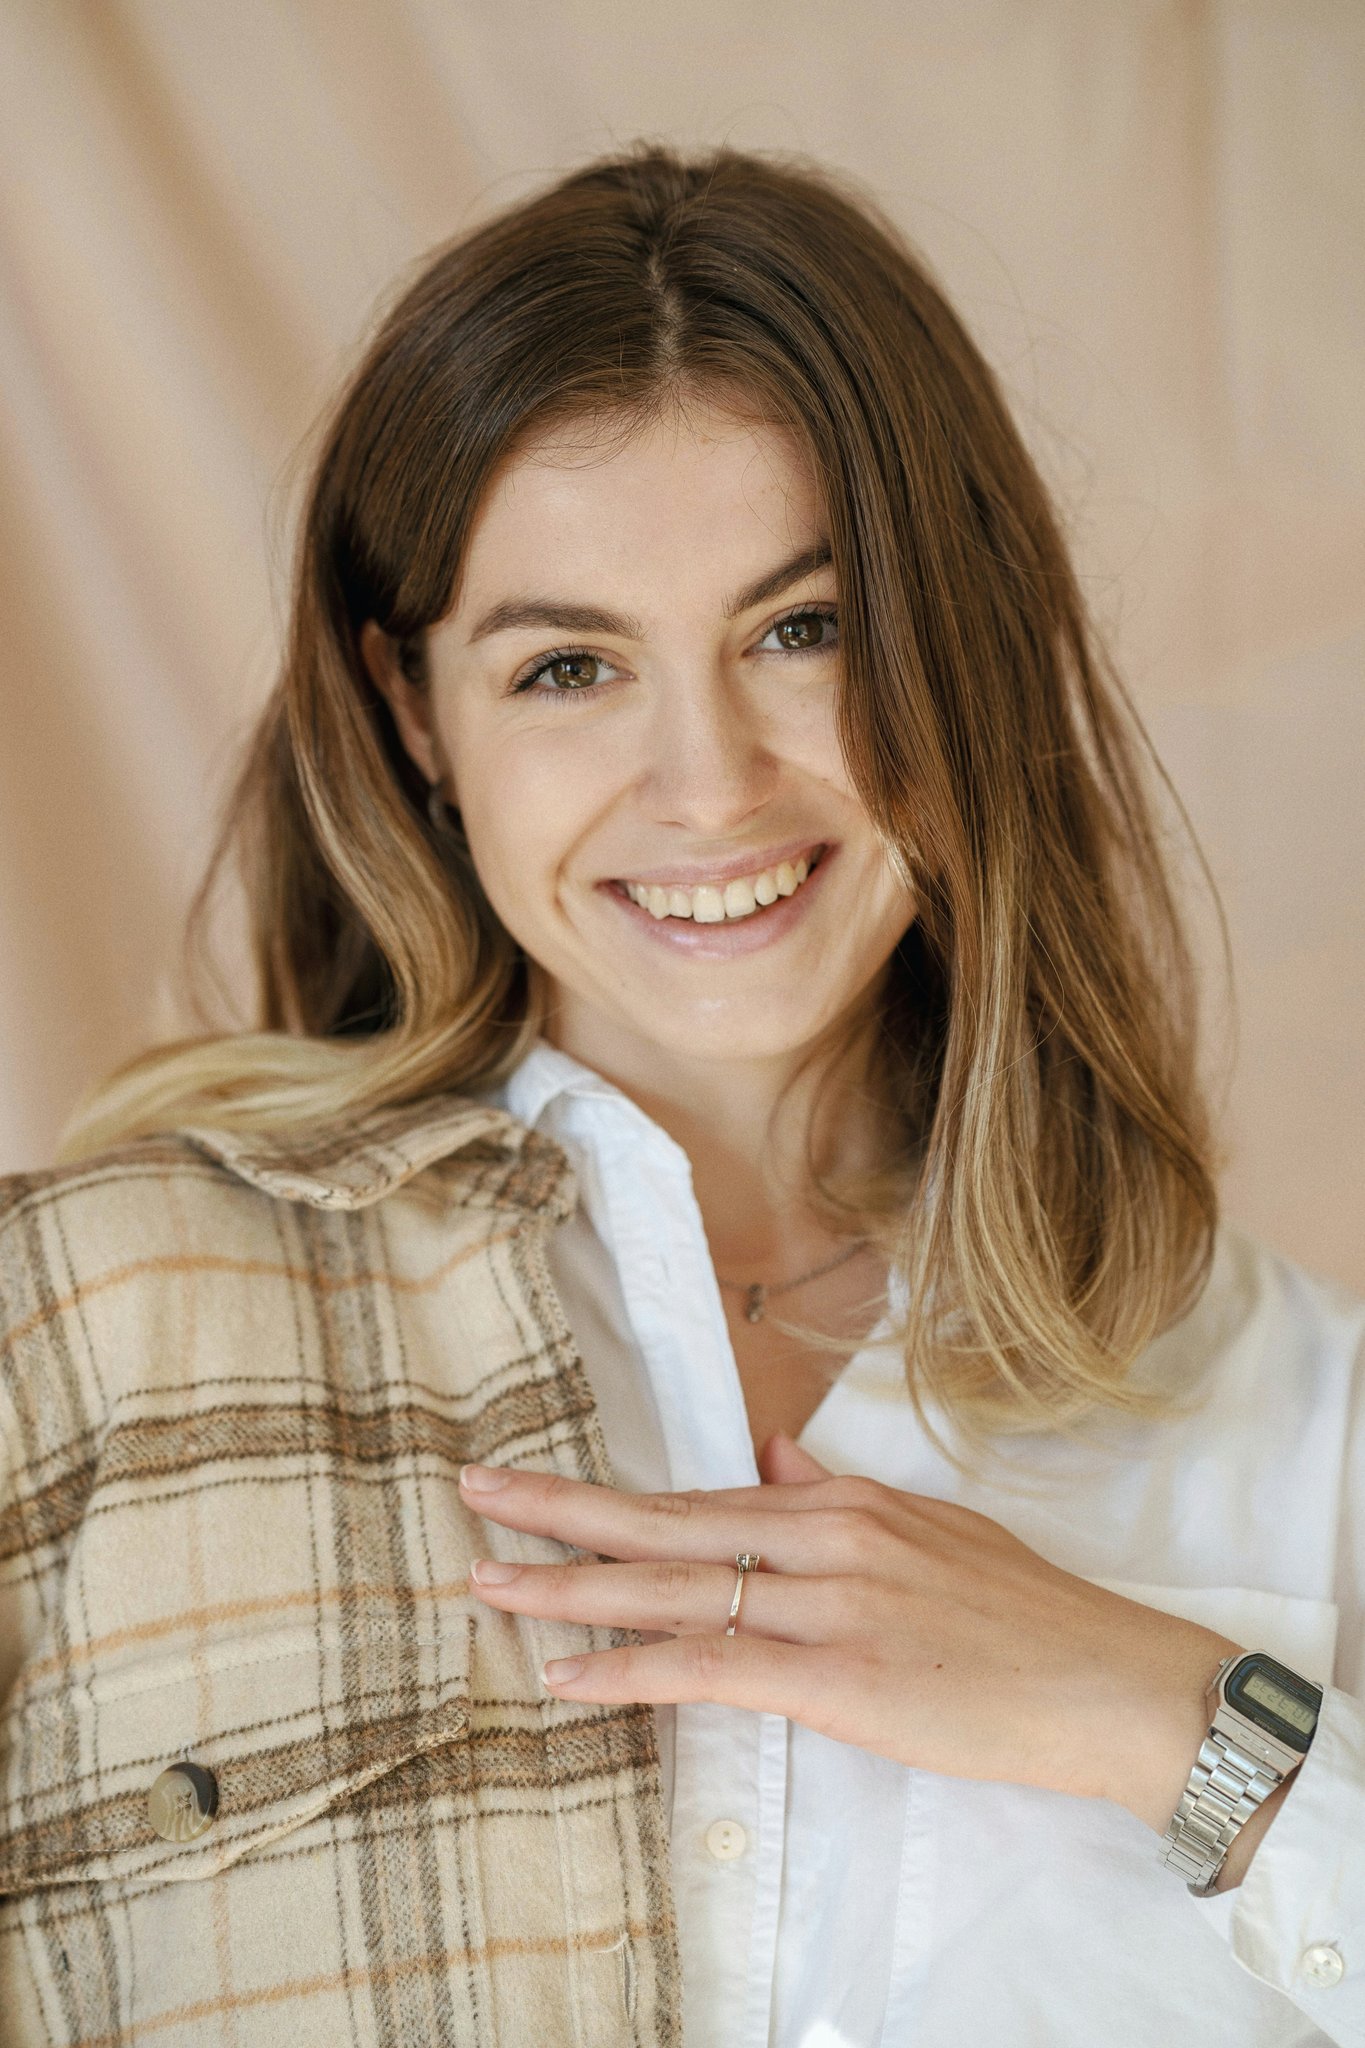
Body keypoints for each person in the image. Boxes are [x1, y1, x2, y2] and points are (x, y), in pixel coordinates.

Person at [0, 140, 1360, 2048]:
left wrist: (1170, 1722)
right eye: (567, 666)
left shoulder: (1296, 1415)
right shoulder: (84, 1336)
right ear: (417, 718)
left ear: (957, 638)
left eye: (802, 630)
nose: (708, 784)